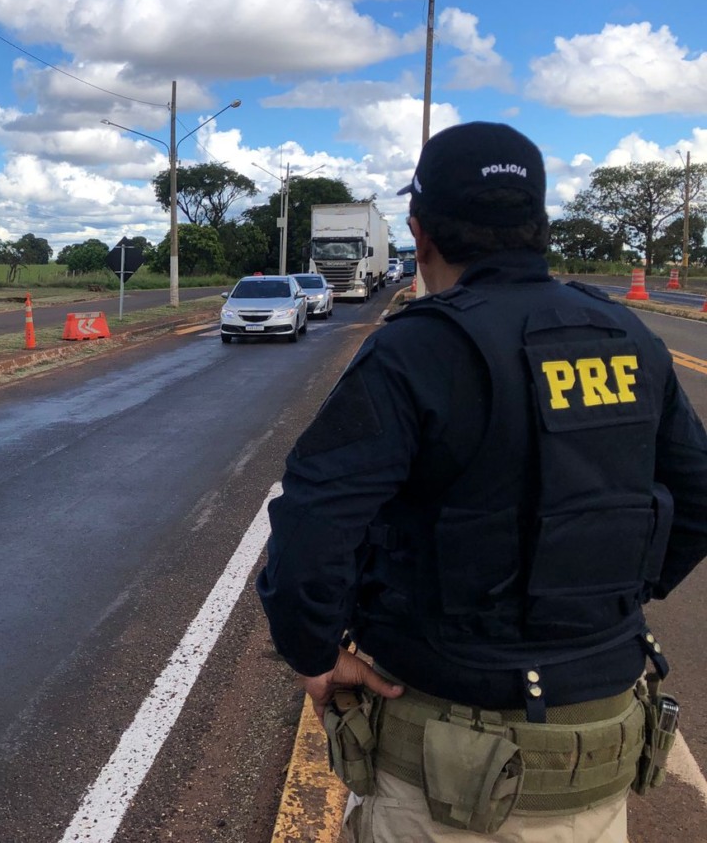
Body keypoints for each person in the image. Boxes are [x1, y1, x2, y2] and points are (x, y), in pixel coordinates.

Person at [257, 121, 707, 842]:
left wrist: (315, 654)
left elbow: (311, 536)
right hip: (600, 755)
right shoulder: (627, 336)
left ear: (421, 233)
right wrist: (603, 598)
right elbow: (698, 497)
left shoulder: (415, 350)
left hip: (447, 773)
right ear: (539, 228)